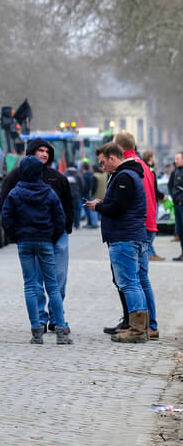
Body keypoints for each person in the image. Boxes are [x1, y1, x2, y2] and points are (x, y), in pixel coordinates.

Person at [0, 138, 74, 332]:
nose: (44, 154)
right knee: (36, 283)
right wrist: (15, 234)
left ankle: (56, 318)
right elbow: (5, 207)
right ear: (31, 153)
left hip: (56, 236)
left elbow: (65, 207)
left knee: (58, 279)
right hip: (31, 237)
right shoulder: (15, 178)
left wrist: (62, 230)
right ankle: (40, 318)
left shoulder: (57, 178)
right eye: (40, 150)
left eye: (47, 151)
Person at [85, 142, 152, 342]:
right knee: (135, 283)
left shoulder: (124, 176)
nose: (101, 166)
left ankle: (138, 331)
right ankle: (139, 327)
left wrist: (98, 206)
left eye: (103, 161)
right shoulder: (130, 174)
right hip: (133, 235)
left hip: (125, 237)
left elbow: (117, 208)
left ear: (113, 158)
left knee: (129, 283)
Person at [169, 152, 183, 258]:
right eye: (175, 158)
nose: (175, 160)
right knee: (180, 230)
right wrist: (174, 196)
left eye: (177, 158)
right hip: (176, 205)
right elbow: (170, 185)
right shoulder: (175, 172)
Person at [64, 164, 84, 229]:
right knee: (77, 210)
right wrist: (79, 192)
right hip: (76, 195)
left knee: (67, 210)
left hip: (66, 196)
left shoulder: (64, 174)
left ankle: (68, 224)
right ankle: (77, 225)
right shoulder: (78, 174)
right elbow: (82, 185)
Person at [81, 161, 99, 228]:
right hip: (91, 194)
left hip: (86, 194)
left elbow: (84, 186)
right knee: (90, 208)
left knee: (88, 209)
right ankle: (91, 222)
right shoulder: (92, 174)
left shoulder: (84, 175)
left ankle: (91, 223)